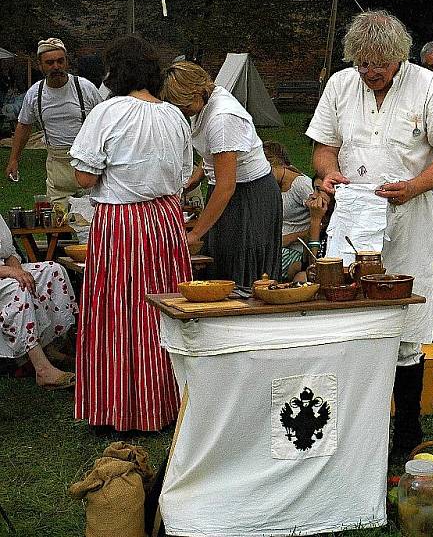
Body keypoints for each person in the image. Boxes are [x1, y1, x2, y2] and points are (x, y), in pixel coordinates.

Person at [308, 10, 433, 460]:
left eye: (379, 64)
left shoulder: (429, 89)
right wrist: (328, 173)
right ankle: (354, 424)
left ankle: (407, 429)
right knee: (348, 310)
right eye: (362, 63)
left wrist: (414, 185)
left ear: (399, 56)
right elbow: (323, 147)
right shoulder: (340, 85)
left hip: (407, 217)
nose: (370, 72)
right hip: (354, 217)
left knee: (407, 324)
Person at [70, 35, 193, 432]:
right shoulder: (174, 115)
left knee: (119, 311)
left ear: (114, 72)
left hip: (121, 223)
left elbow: (85, 175)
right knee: (164, 310)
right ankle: (167, 401)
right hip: (166, 220)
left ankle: (119, 408)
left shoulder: (108, 112)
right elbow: (183, 176)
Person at [161, 62, 282, 286]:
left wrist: (195, 234)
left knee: (239, 266)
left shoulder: (223, 118)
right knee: (220, 258)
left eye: (183, 105)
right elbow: (216, 152)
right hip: (230, 191)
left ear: (197, 93)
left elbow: (226, 186)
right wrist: (197, 176)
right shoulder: (205, 103)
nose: (181, 111)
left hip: (249, 196)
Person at [5, 38, 103, 206]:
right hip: (57, 168)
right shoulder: (35, 94)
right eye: (50, 63)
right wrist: (14, 159)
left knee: (91, 225)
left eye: (60, 61)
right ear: (40, 65)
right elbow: (24, 126)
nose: (56, 66)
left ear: (66, 62)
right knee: (56, 226)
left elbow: (105, 123)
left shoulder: (85, 88)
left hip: (87, 164)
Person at [0, 216, 77, 390]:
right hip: (2, 274)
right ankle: (42, 369)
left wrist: (17, 270)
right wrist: (10, 272)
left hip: (5, 270)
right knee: (17, 288)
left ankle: (49, 345)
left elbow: (8, 251)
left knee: (52, 270)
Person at [263, 140, 328, 280]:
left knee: (265, 263)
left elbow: (322, 218)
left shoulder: (300, 185)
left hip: (295, 249)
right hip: (278, 245)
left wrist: (286, 239)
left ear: (273, 166)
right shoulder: (274, 187)